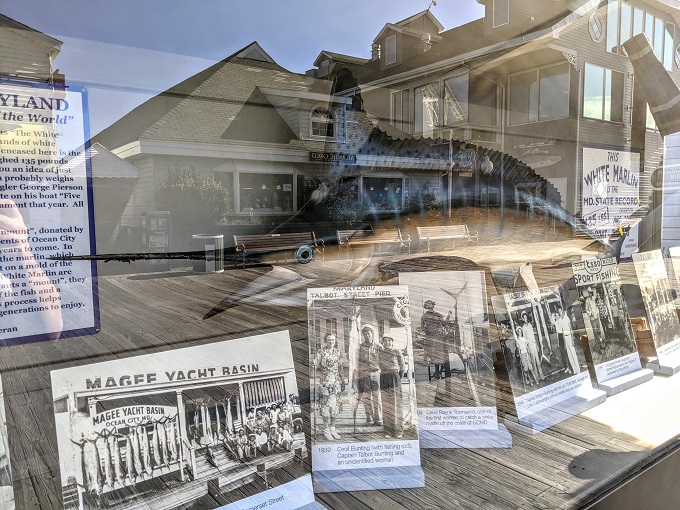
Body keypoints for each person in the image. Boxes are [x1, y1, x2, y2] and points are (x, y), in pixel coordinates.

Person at [311, 332, 344, 441]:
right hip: (325, 382)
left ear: (335, 341)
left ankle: (333, 429)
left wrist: (342, 379)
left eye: (333, 340)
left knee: (334, 407)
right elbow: (314, 365)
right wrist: (317, 373)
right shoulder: (321, 352)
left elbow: (340, 366)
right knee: (325, 407)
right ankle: (326, 430)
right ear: (326, 340)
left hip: (335, 382)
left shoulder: (338, 352)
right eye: (329, 340)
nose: (331, 342)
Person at [378, 336, 406, 439]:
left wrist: (398, 377)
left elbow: (402, 366)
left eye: (389, 340)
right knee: (386, 404)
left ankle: (398, 430)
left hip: (394, 377)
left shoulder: (397, 352)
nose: (387, 342)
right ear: (383, 343)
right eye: (385, 341)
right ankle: (388, 430)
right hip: (384, 377)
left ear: (392, 342)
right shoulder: (380, 353)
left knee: (396, 404)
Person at [357, 325, 382, 426]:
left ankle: (378, 417)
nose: (367, 335)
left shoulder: (379, 346)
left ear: (372, 334)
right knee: (366, 396)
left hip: (376, 373)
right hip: (364, 373)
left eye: (369, 333)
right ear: (363, 335)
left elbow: (384, 359)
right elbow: (355, 359)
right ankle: (369, 417)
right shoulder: (360, 347)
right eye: (365, 333)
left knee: (377, 396)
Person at [421, 300, 449, 379]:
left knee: (437, 354)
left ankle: (437, 371)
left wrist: (449, 316)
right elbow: (422, 327)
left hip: (437, 337)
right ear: (426, 306)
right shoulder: (424, 316)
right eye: (427, 304)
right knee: (432, 355)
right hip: (430, 337)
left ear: (433, 305)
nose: (428, 305)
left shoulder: (438, 315)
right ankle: (437, 372)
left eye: (430, 304)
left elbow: (444, 324)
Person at [553, 305, 579, 375]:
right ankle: (574, 370)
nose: (560, 312)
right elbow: (562, 331)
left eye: (560, 311)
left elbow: (570, 328)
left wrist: (573, 339)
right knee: (569, 355)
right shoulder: (560, 320)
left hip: (570, 337)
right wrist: (564, 342)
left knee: (573, 353)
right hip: (565, 338)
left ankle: (578, 369)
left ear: (562, 310)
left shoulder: (566, 317)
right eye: (559, 311)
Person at [521, 312, 545, 381]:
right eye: (524, 318)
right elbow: (525, 339)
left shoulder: (530, 325)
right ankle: (537, 377)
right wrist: (528, 348)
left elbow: (533, 336)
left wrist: (537, 345)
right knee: (533, 362)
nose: (525, 319)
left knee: (538, 361)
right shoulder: (523, 328)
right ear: (523, 319)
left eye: (526, 318)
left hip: (534, 344)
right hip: (530, 346)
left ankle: (541, 375)